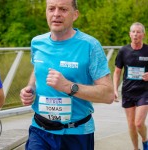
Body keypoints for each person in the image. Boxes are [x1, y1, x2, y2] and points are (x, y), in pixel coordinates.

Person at [20, 0, 114, 149]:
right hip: (40, 131)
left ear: (75, 15)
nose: (56, 14)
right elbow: (37, 68)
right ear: (46, 12)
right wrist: (30, 88)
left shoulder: (90, 46)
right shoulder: (37, 42)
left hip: (76, 133)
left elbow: (108, 94)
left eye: (63, 9)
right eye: (51, 9)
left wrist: (68, 86)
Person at [113, 22, 148, 150]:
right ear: (129, 34)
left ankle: (145, 141)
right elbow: (117, 72)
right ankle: (135, 148)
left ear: (143, 35)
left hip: (144, 92)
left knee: (138, 123)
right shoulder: (124, 51)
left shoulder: (147, 50)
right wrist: (115, 89)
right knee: (131, 125)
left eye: (138, 32)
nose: (135, 34)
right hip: (128, 92)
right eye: (133, 32)